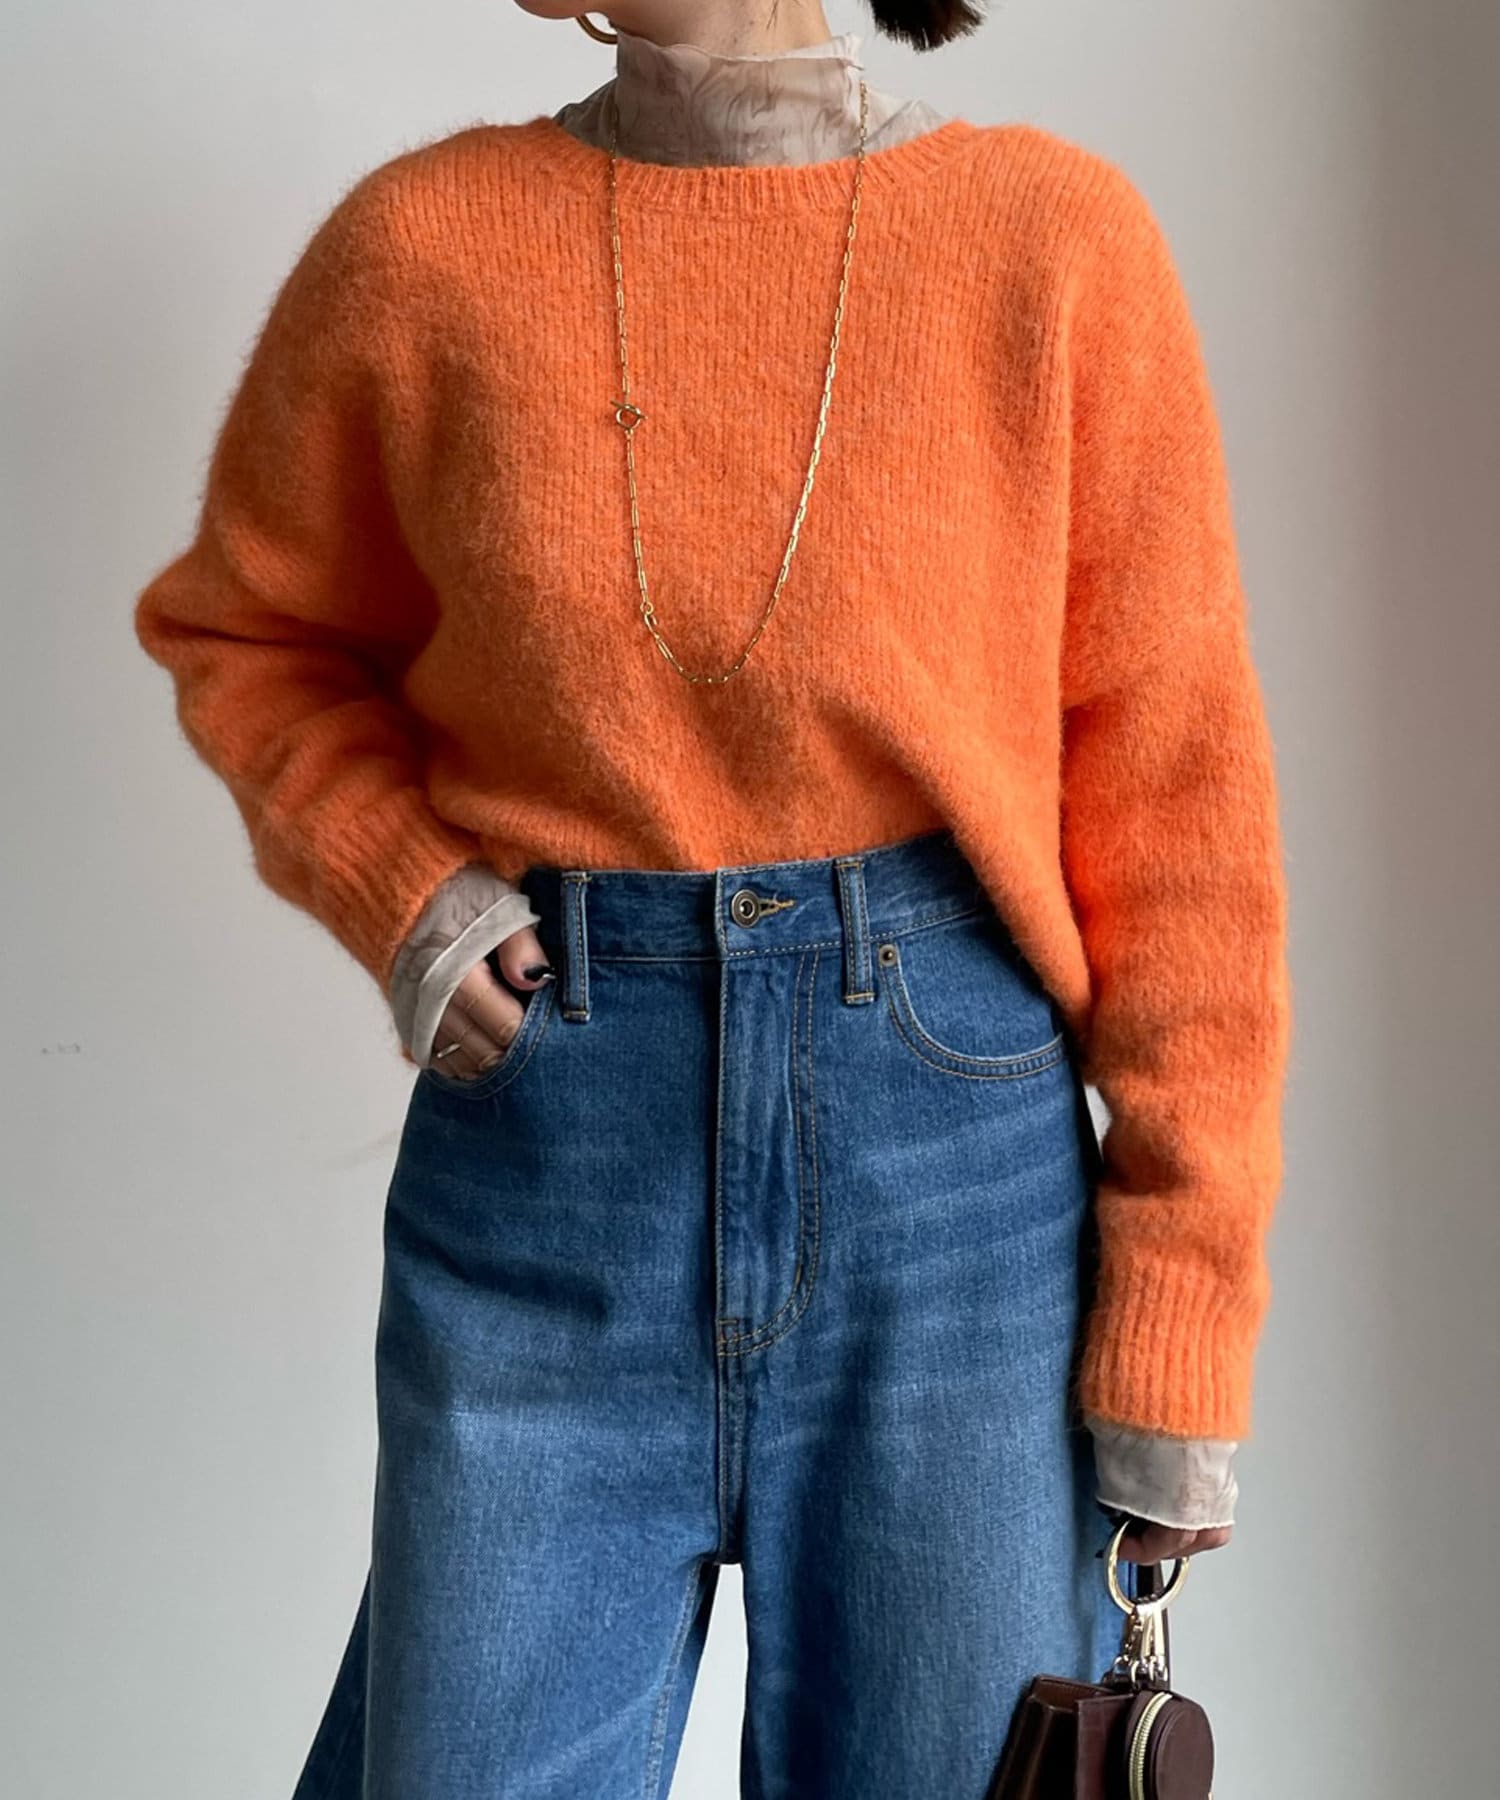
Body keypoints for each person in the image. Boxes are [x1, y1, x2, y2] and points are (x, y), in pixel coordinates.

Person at [132, 3, 1292, 1793]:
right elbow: (246, 630)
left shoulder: (1051, 243)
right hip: (550, 1159)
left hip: (960, 1201)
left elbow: (1180, 805)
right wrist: (408, 897)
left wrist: (1182, 1315)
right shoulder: (423, 248)